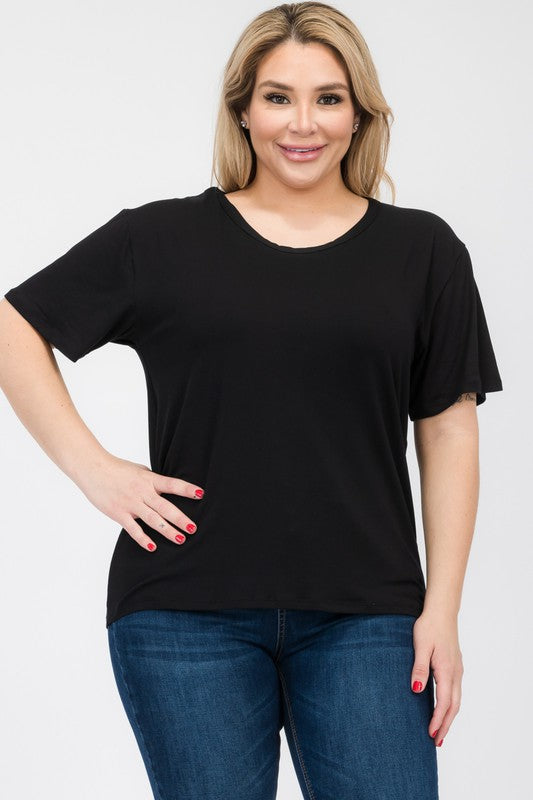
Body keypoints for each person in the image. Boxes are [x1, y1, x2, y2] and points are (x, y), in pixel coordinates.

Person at [0, 2, 503, 799]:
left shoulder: (423, 252)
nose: (302, 123)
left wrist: (441, 611)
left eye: (327, 98)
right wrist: (96, 471)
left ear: (359, 113)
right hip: (183, 613)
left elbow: (447, 432)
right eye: (277, 97)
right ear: (241, 109)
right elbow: (14, 326)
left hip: (367, 616)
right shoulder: (159, 240)